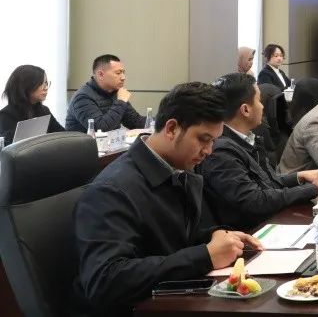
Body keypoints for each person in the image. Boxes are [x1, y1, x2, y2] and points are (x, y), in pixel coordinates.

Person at [72, 82, 262, 316]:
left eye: (213, 141)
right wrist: (205, 256)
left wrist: (215, 236)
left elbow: (173, 238)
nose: (209, 151)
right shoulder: (111, 191)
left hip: (175, 300)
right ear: (171, 128)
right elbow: (105, 281)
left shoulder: (178, 169)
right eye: (203, 139)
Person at [199, 73, 318, 232]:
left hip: (269, 223)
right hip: (252, 233)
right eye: (259, 101)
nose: (262, 106)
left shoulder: (245, 140)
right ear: (245, 110)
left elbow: (264, 183)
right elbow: (255, 201)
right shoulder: (221, 152)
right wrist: (313, 188)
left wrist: (300, 176)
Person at [66, 54, 146, 133]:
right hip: (83, 141)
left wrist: (154, 121)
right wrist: (121, 102)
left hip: (110, 141)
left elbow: (136, 122)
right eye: (118, 73)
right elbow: (100, 129)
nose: (123, 77)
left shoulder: (115, 92)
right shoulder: (82, 98)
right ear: (101, 74)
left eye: (123, 73)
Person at [0, 64, 64, 144]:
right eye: (41, 83)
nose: (46, 88)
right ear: (25, 86)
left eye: (46, 83)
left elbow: (62, 135)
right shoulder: (6, 114)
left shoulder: (44, 110)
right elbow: (10, 148)